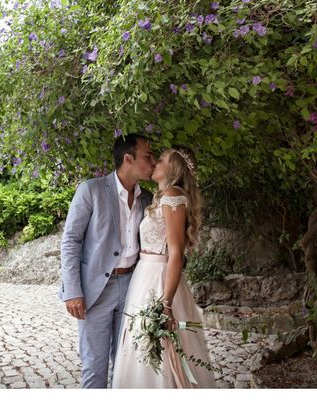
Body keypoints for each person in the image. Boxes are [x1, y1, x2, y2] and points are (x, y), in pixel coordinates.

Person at [112, 147, 216, 388]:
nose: (155, 163)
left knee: (162, 348)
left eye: (160, 160)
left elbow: (176, 253)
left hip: (158, 279)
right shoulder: (162, 197)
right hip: (145, 275)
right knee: (143, 344)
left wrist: (166, 303)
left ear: (174, 168)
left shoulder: (172, 197)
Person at [59, 133, 156, 388]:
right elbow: (70, 240)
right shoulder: (91, 190)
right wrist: (72, 290)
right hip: (96, 291)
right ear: (128, 159)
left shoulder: (147, 199)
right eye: (148, 156)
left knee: (127, 366)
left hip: (134, 288)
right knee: (94, 367)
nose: (153, 162)